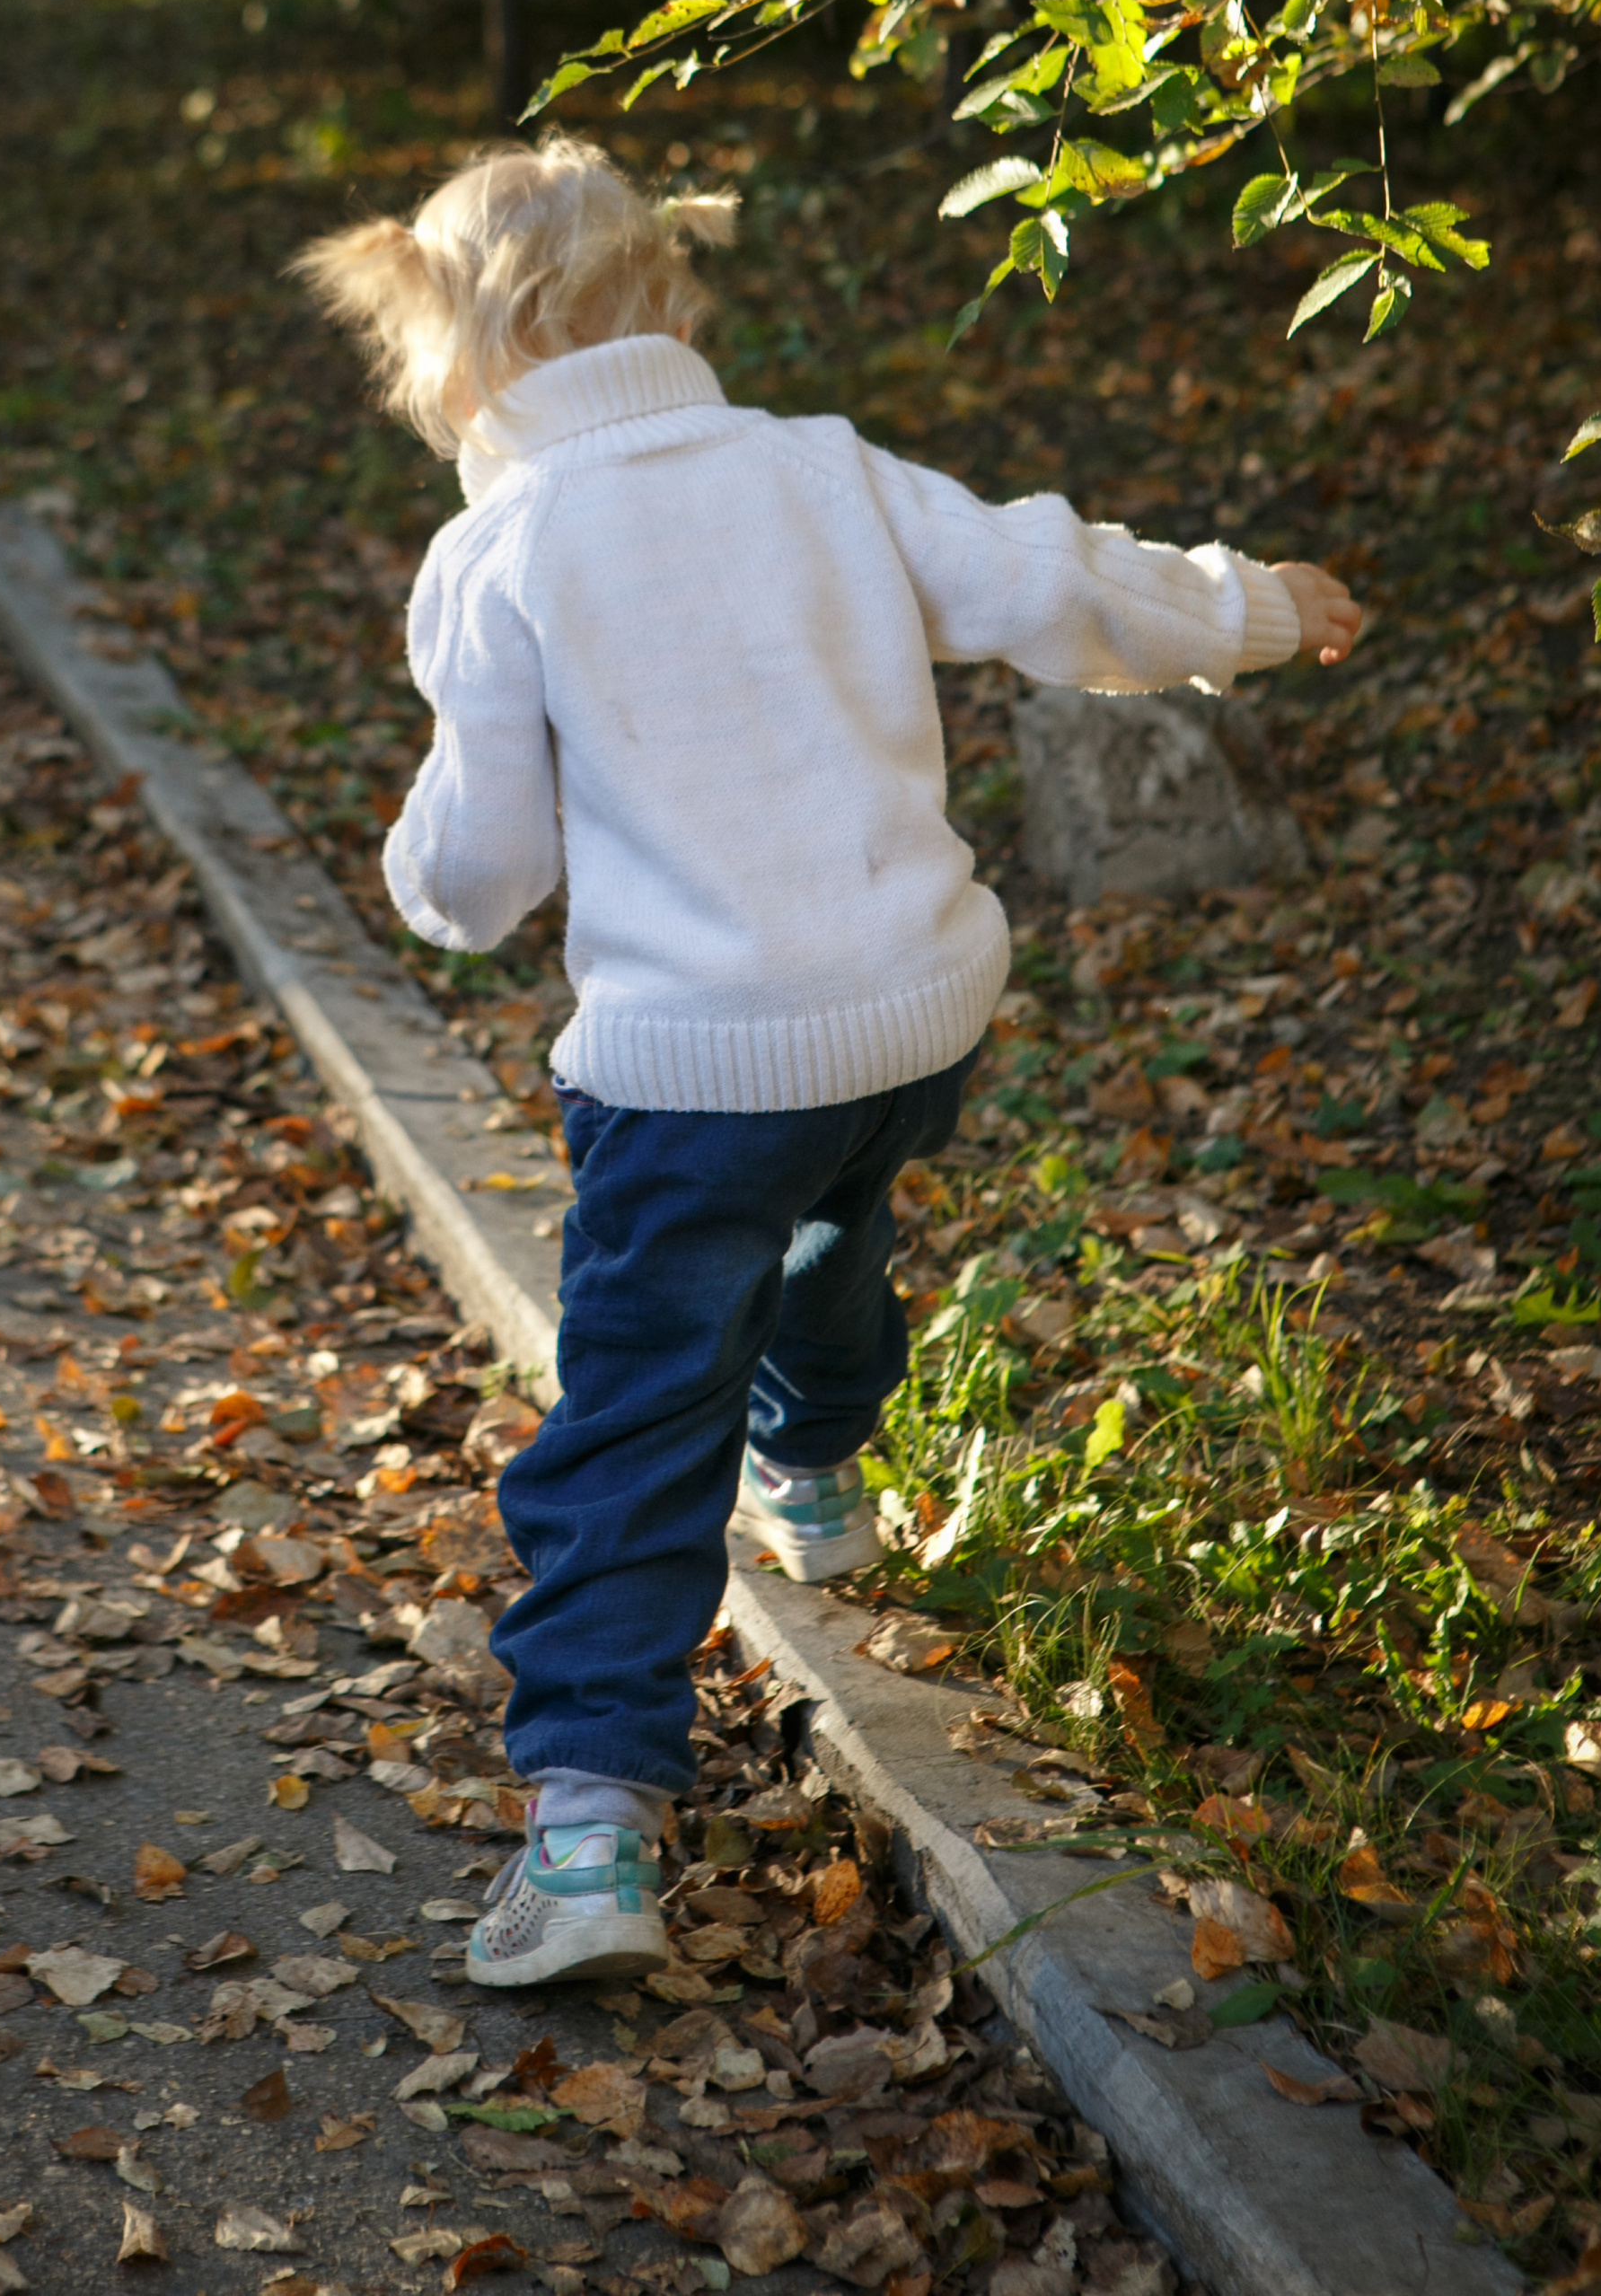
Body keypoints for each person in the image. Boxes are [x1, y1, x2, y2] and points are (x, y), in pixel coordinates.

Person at [299, 135, 1361, 1989]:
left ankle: (588, 1833)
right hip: (906, 1023)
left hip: (692, 1074)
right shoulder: (820, 469)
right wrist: (1251, 604)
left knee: (636, 1423)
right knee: (822, 1235)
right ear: (663, 297)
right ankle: (813, 1468)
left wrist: (415, 871)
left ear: (456, 358)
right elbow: (1053, 583)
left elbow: (477, 879)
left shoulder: (501, 551)